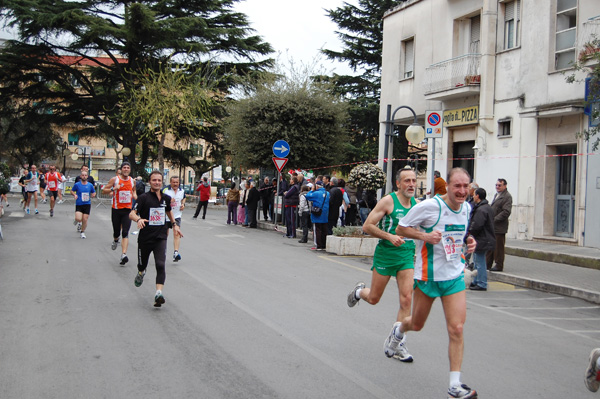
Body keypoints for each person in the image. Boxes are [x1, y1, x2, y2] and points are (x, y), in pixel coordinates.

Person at [394, 167, 477, 399]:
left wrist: (469, 241)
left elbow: (460, 233)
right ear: (447, 186)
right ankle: (399, 329)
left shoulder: (467, 208)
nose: (462, 191)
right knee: (417, 324)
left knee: (457, 328)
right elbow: (401, 228)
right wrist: (425, 237)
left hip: (453, 275)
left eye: (466, 186)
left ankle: (454, 385)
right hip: (428, 276)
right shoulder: (430, 206)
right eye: (457, 186)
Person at [347, 168, 418, 362]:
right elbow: (367, 226)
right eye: (407, 181)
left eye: (413, 180)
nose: (411, 184)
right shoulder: (388, 201)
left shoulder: (417, 204)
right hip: (386, 254)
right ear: (398, 184)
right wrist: (390, 236)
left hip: (406, 254)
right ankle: (359, 292)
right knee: (374, 298)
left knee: (406, 299)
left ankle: (398, 344)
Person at [130, 171, 182, 307]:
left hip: (160, 236)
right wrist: (139, 219)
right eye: (154, 180)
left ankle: (158, 293)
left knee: (160, 264)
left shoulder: (165, 198)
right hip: (145, 237)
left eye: (159, 180)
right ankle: (141, 272)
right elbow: (132, 213)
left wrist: (174, 225)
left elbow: (169, 211)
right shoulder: (143, 198)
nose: (157, 183)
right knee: (142, 265)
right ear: (150, 181)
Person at [102, 162, 137, 265]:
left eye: (128, 168)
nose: (126, 169)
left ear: (130, 170)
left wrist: (135, 196)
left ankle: (123, 255)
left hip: (127, 210)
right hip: (116, 210)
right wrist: (113, 188)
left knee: (125, 232)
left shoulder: (132, 181)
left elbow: (134, 191)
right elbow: (104, 190)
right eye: (124, 168)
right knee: (116, 231)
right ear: (121, 169)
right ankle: (115, 239)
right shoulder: (115, 179)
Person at [467, 188, 495, 291]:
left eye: (474, 194)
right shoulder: (486, 207)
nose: (473, 196)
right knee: (477, 260)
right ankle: (476, 281)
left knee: (480, 261)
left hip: (482, 238)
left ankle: (482, 283)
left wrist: (469, 232)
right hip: (484, 238)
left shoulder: (481, 209)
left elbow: (477, 225)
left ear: (478, 196)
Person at [486, 178, 512, 272]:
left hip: (499, 226)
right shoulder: (497, 195)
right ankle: (487, 263)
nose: (497, 187)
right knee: (491, 246)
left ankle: (499, 265)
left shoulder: (507, 196)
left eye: (499, 185)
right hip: (493, 226)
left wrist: (494, 219)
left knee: (498, 247)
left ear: (505, 186)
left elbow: (506, 211)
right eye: (496, 185)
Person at [162, 176, 186, 262]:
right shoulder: (165, 190)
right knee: (165, 234)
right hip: (166, 215)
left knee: (177, 233)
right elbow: (159, 199)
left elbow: (184, 198)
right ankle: (162, 252)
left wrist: (183, 204)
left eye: (177, 182)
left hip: (177, 215)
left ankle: (176, 252)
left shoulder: (181, 190)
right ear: (170, 182)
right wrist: (168, 201)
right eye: (174, 182)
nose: (175, 184)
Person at [71, 170, 96, 239]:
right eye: (83, 175)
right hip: (79, 203)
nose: (84, 176)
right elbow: (72, 191)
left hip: (87, 203)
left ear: (87, 176)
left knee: (85, 219)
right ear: (81, 176)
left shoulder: (90, 185)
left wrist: (93, 195)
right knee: (78, 218)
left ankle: (82, 232)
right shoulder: (77, 184)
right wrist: (74, 195)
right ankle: (77, 220)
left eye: (85, 175)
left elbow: (94, 192)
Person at [305, 181, 330, 251]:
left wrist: (311, 190)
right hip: (325, 214)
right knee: (324, 230)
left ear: (317, 186)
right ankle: (323, 245)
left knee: (317, 230)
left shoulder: (316, 193)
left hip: (317, 213)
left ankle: (318, 245)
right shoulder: (327, 193)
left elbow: (307, 196)